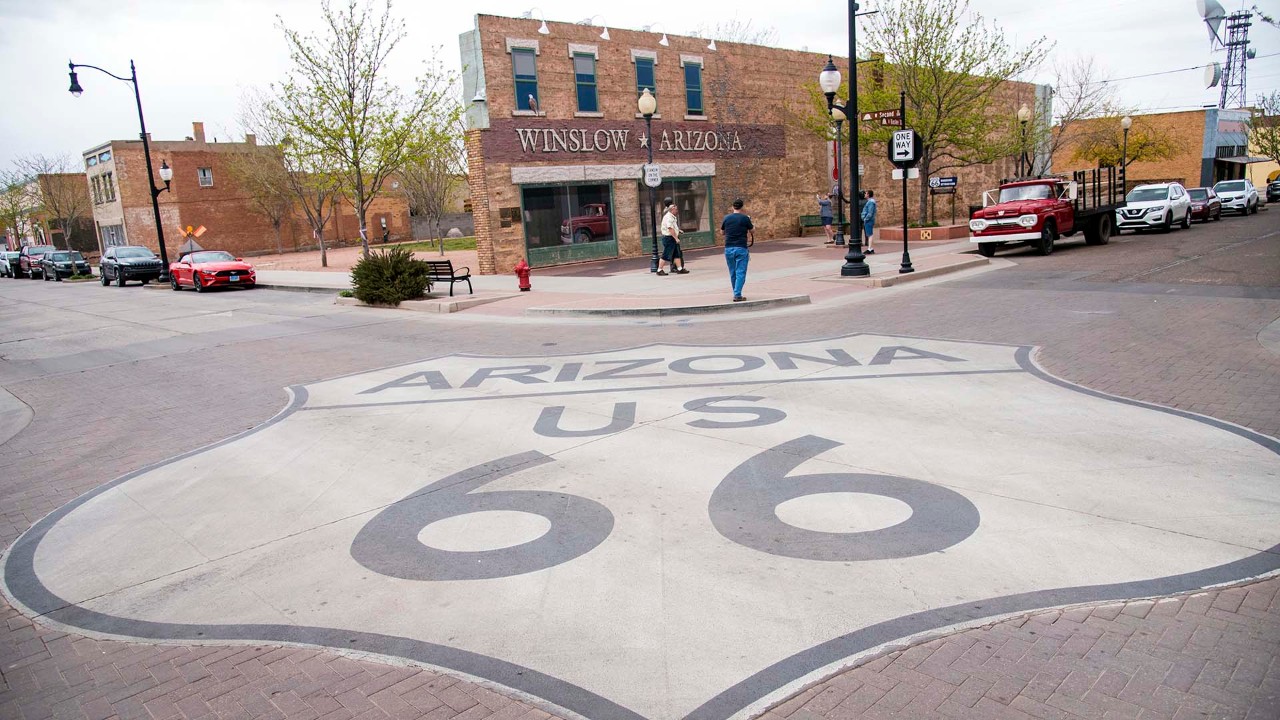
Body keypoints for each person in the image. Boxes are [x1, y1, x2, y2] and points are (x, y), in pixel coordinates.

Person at [720, 198, 754, 302]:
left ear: (732, 207)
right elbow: (752, 230)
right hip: (741, 248)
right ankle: (737, 294)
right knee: (741, 271)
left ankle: (735, 291)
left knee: (733, 272)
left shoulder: (726, 218)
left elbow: (722, 232)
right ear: (742, 207)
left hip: (728, 248)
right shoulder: (745, 218)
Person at [658, 198, 688, 275]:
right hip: (669, 238)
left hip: (671, 238)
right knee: (666, 254)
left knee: (676, 254)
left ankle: (679, 268)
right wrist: (676, 238)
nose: (677, 211)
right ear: (672, 210)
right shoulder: (669, 217)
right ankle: (659, 270)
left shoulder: (672, 216)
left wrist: (678, 230)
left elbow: (674, 227)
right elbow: (670, 228)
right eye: (676, 209)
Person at [861, 189, 878, 254]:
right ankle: (870, 248)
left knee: (870, 234)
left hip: (869, 220)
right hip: (869, 220)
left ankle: (870, 248)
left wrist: (865, 218)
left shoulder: (870, 202)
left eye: (866, 193)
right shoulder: (870, 202)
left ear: (868, 195)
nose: (865, 194)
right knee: (869, 234)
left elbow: (870, 212)